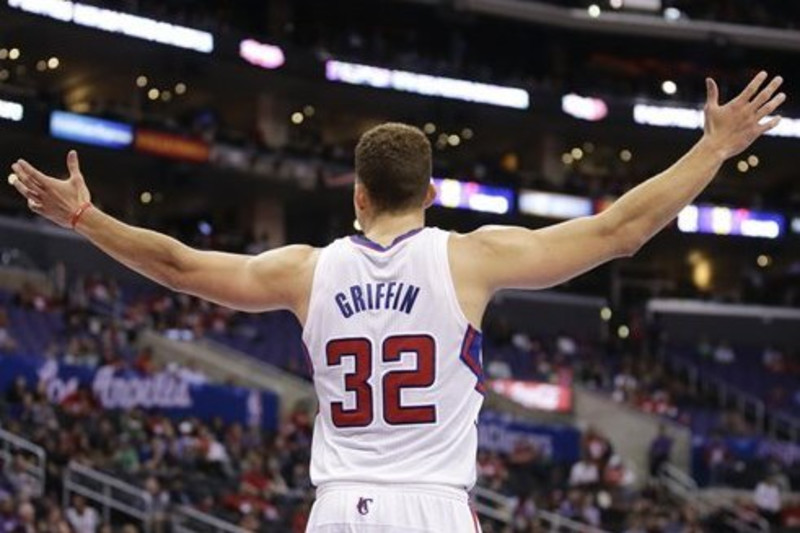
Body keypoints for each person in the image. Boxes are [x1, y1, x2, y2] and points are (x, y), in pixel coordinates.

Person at [7, 72, 786, 532]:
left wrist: (83, 217)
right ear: (430, 194)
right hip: (434, 508)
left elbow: (177, 265)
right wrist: (714, 146)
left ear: (357, 194)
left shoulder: (304, 270)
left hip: (339, 507)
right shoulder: (472, 257)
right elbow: (622, 231)